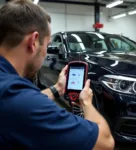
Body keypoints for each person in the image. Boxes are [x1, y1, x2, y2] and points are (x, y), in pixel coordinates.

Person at [0, 0, 114, 150]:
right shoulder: (17, 99)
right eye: (47, 46)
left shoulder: (9, 90)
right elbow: (105, 143)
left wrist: (58, 88)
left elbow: (21, 104)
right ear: (33, 42)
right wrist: (86, 103)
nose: (46, 52)